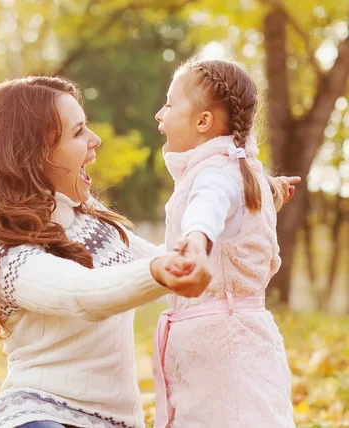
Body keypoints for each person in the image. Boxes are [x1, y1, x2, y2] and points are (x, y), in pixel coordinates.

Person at [0, 75, 212, 428]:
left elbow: (171, 259)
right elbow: (83, 293)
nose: (95, 139)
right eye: (78, 132)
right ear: (33, 156)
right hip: (38, 415)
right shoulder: (2, 251)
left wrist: (246, 199)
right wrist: (158, 272)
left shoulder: (91, 222)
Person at [152, 58, 299, 428]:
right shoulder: (237, 171)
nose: (159, 113)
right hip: (241, 337)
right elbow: (239, 204)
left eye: (169, 104)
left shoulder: (215, 175)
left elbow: (210, 206)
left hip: (220, 349)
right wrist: (273, 190)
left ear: (203, 122)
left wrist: (197, 241)